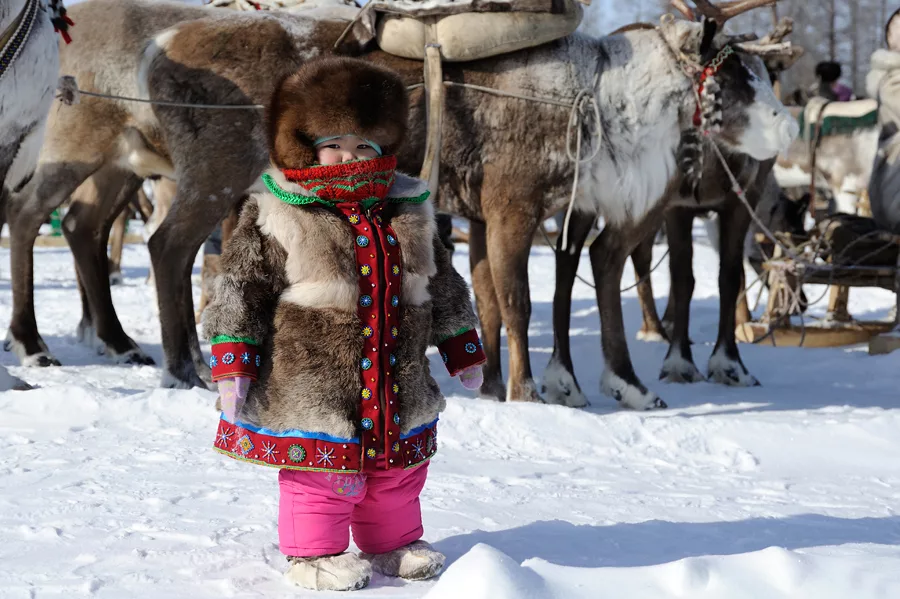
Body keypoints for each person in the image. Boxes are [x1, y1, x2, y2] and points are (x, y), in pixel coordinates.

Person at [202, 57, 486, 592]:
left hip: (397, 376)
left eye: (365, 146)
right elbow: (242, 288)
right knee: (322, 472)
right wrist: (234, 360)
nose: (350, 156)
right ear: (306, 141)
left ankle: (390, 545)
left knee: (396, 473)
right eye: (336, 142)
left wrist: (462, 346)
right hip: (313, 380)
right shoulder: (280, 209)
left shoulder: (409, 208)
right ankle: (314, 555)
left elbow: (441, 282)